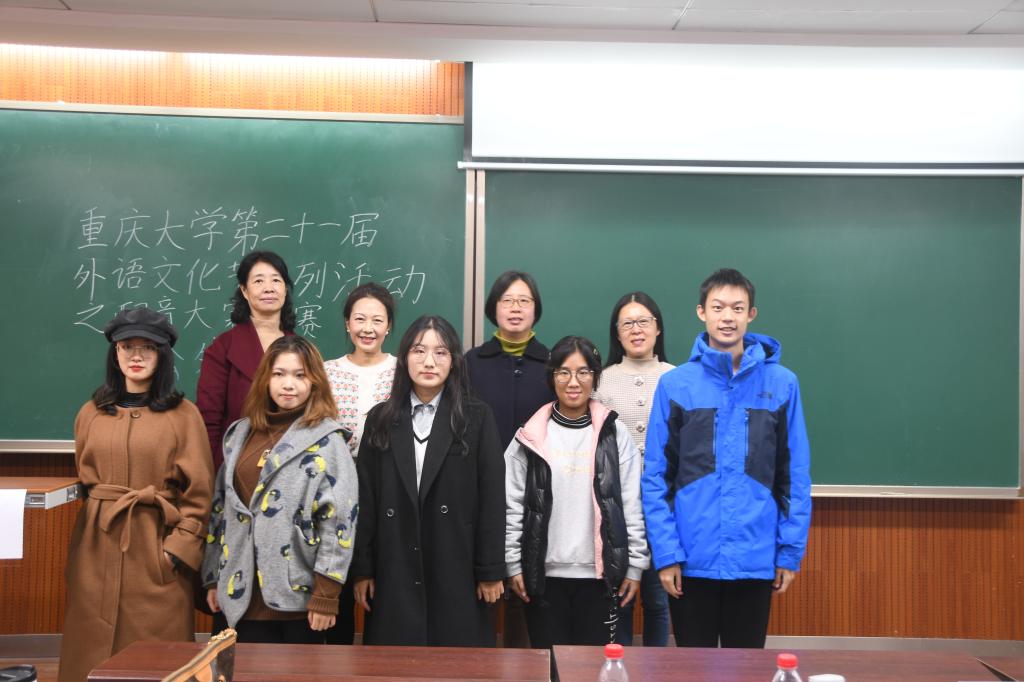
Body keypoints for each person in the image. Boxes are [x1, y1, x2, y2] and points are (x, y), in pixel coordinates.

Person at [642, 268, 812, 649]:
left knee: (746, 670)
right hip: (690, 561)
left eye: (737, 308)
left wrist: (788, 552)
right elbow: (656, 477)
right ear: (701, 312)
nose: (727, 317)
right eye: (718, 307)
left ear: (751, 314)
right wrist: (667, 554)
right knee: (693, 671)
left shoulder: (782, 383)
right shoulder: (675, 385)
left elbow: (794, 475)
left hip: (755, 559)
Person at [59, 308, 213, 682]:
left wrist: (175, 552)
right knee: (89, 655)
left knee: (158, 662)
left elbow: (200, 494)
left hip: (156, 548)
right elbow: (86, 480)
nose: (136, 356)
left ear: (162, 355)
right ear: (115, 353)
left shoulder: (183, 415)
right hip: (97, 548)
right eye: (127, 346)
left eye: (148, 347)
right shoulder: (91, 413)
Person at [351, 315, 505, 647]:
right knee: (395, 663)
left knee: (457, 661)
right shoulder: (380, 419)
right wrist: (363, 569)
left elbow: (493, 499)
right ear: (405, 357)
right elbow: (366, 499)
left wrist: (491, 570)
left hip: (457, 561)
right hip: (394, 562)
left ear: (454, 361)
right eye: (419, 351)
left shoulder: (477, 417)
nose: (429, 362)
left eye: (441, 352)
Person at [201, 335, 358, 643]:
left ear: (314, 382)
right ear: (265, 379)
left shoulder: (329, 441)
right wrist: (212, 577)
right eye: (279, 374)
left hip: (298, 602)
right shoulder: (240, 433)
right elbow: (221, 509)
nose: (289, 384)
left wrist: (326, 594)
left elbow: (339, 522)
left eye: (300, 375)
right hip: (236, 595)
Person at [504, 335, 650, 653]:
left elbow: (630, 502)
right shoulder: (530, 435)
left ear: (595, 377)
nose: (573, 382)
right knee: (549, 667)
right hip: (543, 578)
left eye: (583, 372)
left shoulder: (615, 434)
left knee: (593, 669)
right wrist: (513, 564)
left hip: (600, 578)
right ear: (552, 377)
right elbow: (512, 505)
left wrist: (636, 564)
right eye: (564, 372)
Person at [464, 270, 554, 647]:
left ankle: (526, 668)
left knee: (526, 591)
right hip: (479, 491)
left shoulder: (553, 363)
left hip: (538, 496)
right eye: (507, 300)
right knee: (481, 586)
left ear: (536, 309)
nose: (515, 308)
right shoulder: (470, 363)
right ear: (493, 308)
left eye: (524, 301)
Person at [593, 292, 674, 647]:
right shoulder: (601, 381)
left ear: (658, 328)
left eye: (644, 321)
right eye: (627, 323)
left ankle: (658, 668)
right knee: (619, 597)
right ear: (617, 332)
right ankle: (619, 666)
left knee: (658, 599)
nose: (636, 329)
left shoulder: (677, 378)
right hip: (615, 505)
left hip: (664, 505)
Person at [322, 282, 397, 644]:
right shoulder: (325, 372)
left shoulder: (404, 372)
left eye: (377, 320)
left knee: (382, 590)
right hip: (334, 496)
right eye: (360, 319)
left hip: (387, 495)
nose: (368, 328)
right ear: (347, 324)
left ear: (389, 327)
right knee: (336, 589)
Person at [197, 250, 296, 471]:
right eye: (258, 281)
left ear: (285, 289)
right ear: (244, 290)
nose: (269, 288)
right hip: (235, 465)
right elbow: (208, 419)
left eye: (276, 280)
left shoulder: (299, 349)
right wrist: (211, 475)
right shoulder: (223, 348)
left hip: (291, 465)